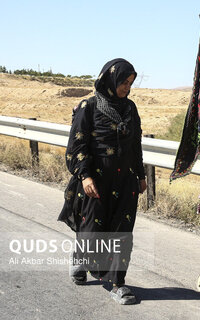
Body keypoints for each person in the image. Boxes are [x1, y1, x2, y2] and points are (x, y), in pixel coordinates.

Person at [58, 58, 146, 305]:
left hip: (125, 180)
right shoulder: (89, 106)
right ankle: (80, 257)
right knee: (93, 230)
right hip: (95, 180)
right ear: (110, 79)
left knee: (121, 230)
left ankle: (118, 283)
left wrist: (140, 175)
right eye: (123, 83)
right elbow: (77, 145)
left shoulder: (130, 109)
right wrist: (84, 175)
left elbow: (136, 144)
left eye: (130, 84)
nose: (126, 89)